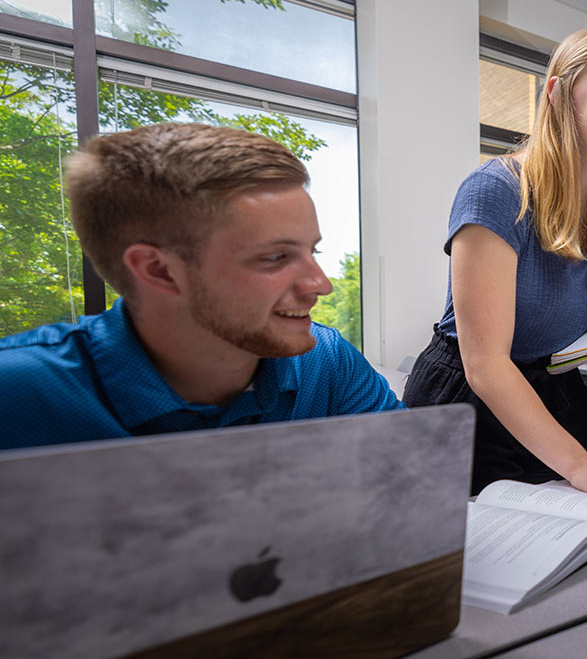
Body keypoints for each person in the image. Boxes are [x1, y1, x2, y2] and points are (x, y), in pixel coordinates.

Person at [0, 123, 401, 450]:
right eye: (275, 257)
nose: (321, 285)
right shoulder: (17, 394)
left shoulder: (325, 362)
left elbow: (414, 489)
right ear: (158, 270)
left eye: (313, 251)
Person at [402, 25, 587, 500]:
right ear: (560, 93)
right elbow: (484, 364)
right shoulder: (497, 190)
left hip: (555, 391)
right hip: (469, 401)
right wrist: (579, 463)